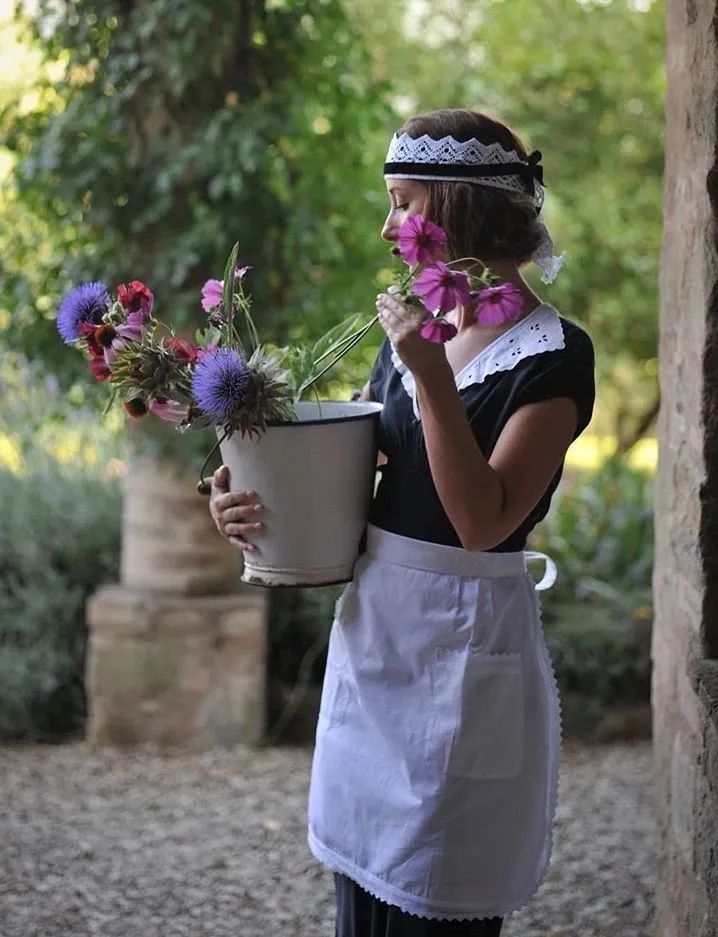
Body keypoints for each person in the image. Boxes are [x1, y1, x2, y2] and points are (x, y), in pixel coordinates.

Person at [209, 108, 595, 936]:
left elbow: (482, 520)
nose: (388, 227)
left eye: (403, 201)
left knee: (438, 898)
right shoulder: (407, 338)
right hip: (379, 640)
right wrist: (241, 490)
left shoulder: (556, 356)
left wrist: (428, 375)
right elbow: (349, 478)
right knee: (363, 895)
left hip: (466, 648)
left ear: (458, 208)